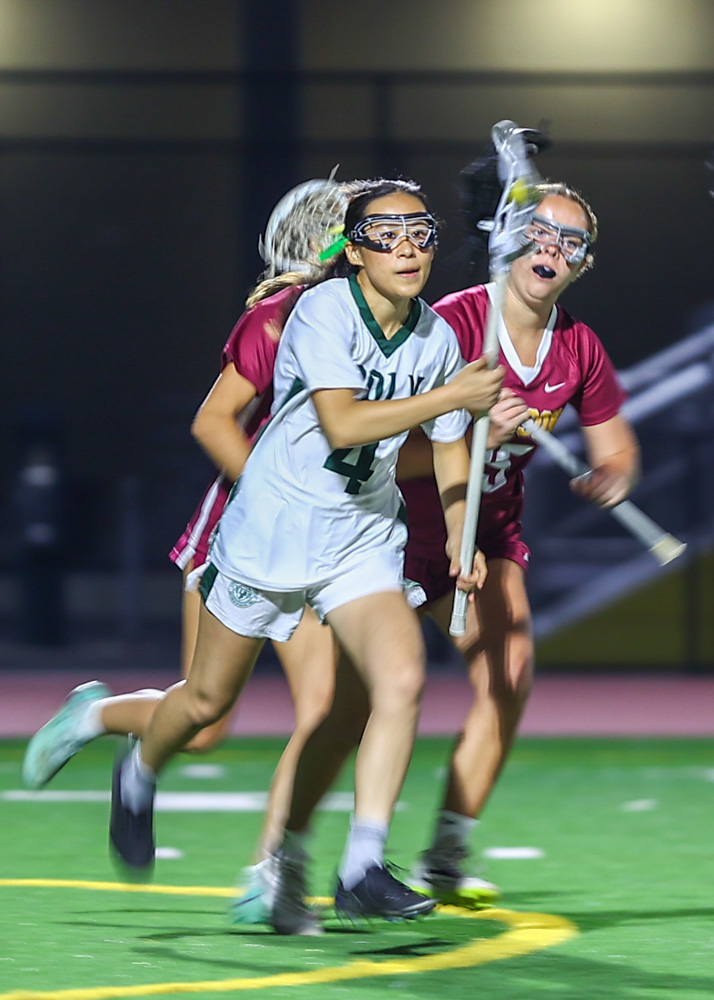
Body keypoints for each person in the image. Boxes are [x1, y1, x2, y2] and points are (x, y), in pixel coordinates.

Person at [107, 177, 503, 935]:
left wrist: (461, 531)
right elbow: (344, 423)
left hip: (360, 540)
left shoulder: (438, 339)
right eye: (386, 235)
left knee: (397, 681)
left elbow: (451, 449)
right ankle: (140, 766)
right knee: (206, 703)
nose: (408, 249)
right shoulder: (322, 311)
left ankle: (362, 866)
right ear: (354, 252)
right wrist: (454, 397)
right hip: (272, 532)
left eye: (420, 233)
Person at [267, 181, 640, 918]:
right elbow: (383, 447)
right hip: (393, 530)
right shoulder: (451, 324)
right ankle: (287, 852)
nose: (553, 249)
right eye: (541, 231)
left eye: (571, 242)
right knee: (350, 708)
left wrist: (613, 477)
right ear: (511, 237)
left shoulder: (577, 348)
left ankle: (442, 852)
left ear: (582, 263)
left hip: (483, 534)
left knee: (509, 674)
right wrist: (474, 434)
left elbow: (616, 447)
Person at [22, 179, 358, 870]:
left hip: (321, 543)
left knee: (325, 711)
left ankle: (272, 872)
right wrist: (281, 500)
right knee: (203, 721)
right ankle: (96, 718)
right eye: (375, 230)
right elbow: (213, 422)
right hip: (240, 533)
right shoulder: (283, 317)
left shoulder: (381, 322)